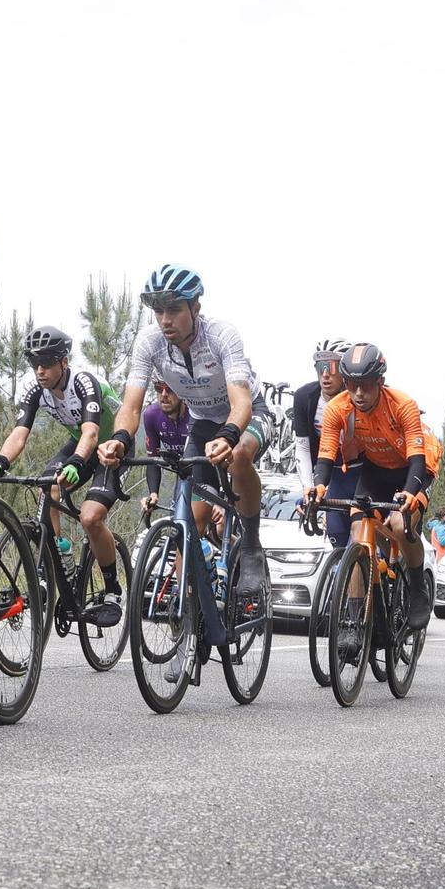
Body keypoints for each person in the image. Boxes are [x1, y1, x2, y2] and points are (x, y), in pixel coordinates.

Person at [99, 265, 269, 684]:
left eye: (173, 308)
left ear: (195, 306)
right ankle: (186, 635)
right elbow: (132, 404)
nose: (164, 319)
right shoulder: (150, 342)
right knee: (186, 528)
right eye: (157, 310)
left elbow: (241, 401)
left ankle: (249, 546)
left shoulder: (222, 336)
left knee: (241, 456)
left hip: (246, 417)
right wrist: (121, 438)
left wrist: (231, 434)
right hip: (203, 424)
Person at [0, 326, 126, 626]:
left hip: (113, 446)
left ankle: (112, 590)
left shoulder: (84, 383)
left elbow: (92, 431)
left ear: (63, 361)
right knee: (47, 485)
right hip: (81, 443)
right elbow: (19, 434)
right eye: (34, 363)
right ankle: (60, 556)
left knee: (90, 518)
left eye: (46, 363)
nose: (39, 370)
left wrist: (75, 462)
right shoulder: (37, 390)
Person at [303, 342, 439, 657]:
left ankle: (417, 588)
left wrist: (409, 493)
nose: (358, 393)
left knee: (399, 524)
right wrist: (319, 488)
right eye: (351, 385)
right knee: (357, 535)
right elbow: (325, 456)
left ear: (380, 382)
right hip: (377, 470)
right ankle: (353, 622)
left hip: (414, 469)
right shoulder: (338, 407)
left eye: (365, 385)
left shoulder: (402, 404)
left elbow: (417, 460)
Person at [291, 339, 358, 549]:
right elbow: (302, 446)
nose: (325, 374)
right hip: (333, 472)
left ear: (345, 371)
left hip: (362, 472)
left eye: (332, 367)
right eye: (320, 367)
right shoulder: (305, 397)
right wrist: (308, 488)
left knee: (360, 537)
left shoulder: (360, 396)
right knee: (337, 537)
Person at [138, 376, 192, 515]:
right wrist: (153, 493)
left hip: (207, 470)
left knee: (217, 529)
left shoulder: (194, 413)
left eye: (170, 389)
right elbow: (153, 460)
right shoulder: (151, 415)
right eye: (158, 388)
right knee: (179, 522)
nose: (164, 395)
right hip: (182, 473)